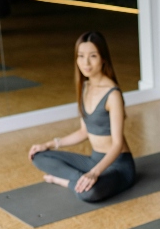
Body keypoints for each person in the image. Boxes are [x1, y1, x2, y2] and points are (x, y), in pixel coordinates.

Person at [28, 31, 135, 202]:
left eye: (92, 56)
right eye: (81, 56)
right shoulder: (85, 87)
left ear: (103, 58)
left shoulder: (112, 94)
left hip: (118, 165)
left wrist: (94, 173)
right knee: (39, 157)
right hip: (94, 160)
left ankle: (66, 181)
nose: (86, 63)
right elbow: (84, 132)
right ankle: (81, 180)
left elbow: (117, 143)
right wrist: (48, 144)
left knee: (90, 193)